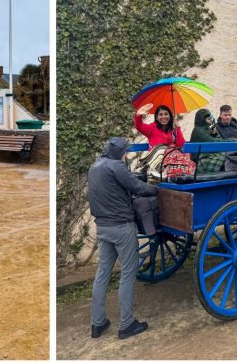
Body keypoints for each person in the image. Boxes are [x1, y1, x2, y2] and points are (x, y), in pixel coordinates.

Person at [88, 137, 157, 340]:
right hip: (121, 227)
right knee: (128, 273)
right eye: (126, 151)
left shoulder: (95, 166)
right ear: (120, 152)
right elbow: (137, 187)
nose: (127, 154)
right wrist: (156, 190)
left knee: (102, 274)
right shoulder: (117, 166)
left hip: (102, 226)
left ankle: (97, 323)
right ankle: (127, 324)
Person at [190, 109, 229, 173]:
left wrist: (215, 134)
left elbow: (214, 142)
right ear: (202, 120)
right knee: (227, 157)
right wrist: (231, 141)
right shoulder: (198, 131)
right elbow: (213, 142)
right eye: (208, 119)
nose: (211, 120)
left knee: (228, 156)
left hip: (208, 154)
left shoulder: (206, 129)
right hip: (201, 159)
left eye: (211, 118)